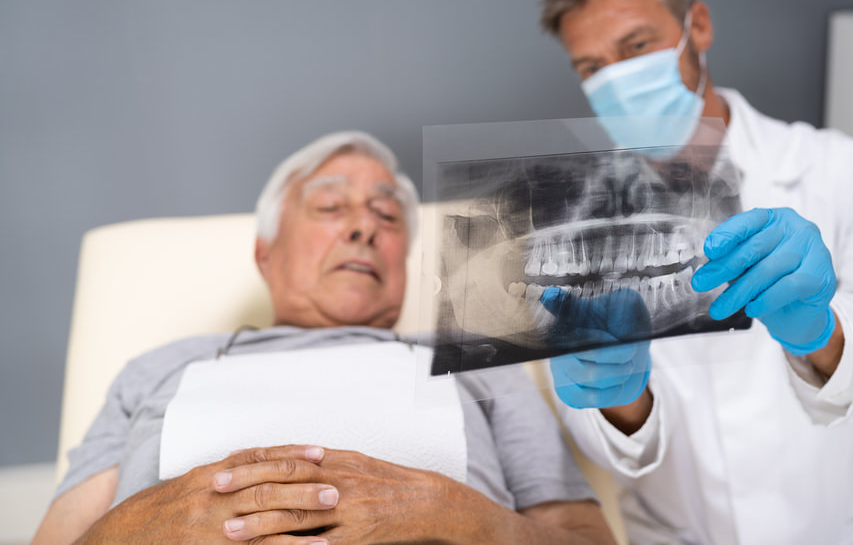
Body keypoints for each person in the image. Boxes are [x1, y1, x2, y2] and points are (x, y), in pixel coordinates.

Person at [537, 0, 853, 544]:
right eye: (593, 67)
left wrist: (826, 332)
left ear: (697, 26)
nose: (618, 80)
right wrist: (620, 399)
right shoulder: (574, 218)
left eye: (637, 45)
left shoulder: (841, 168)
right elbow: (606, 437)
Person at [33, 131, 617, 545]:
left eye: (387, 218)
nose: (365, 226)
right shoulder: (158, 368)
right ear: (266, 253)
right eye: (331, 206)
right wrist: (144, 531)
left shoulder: (479, 361)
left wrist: (458, 515)